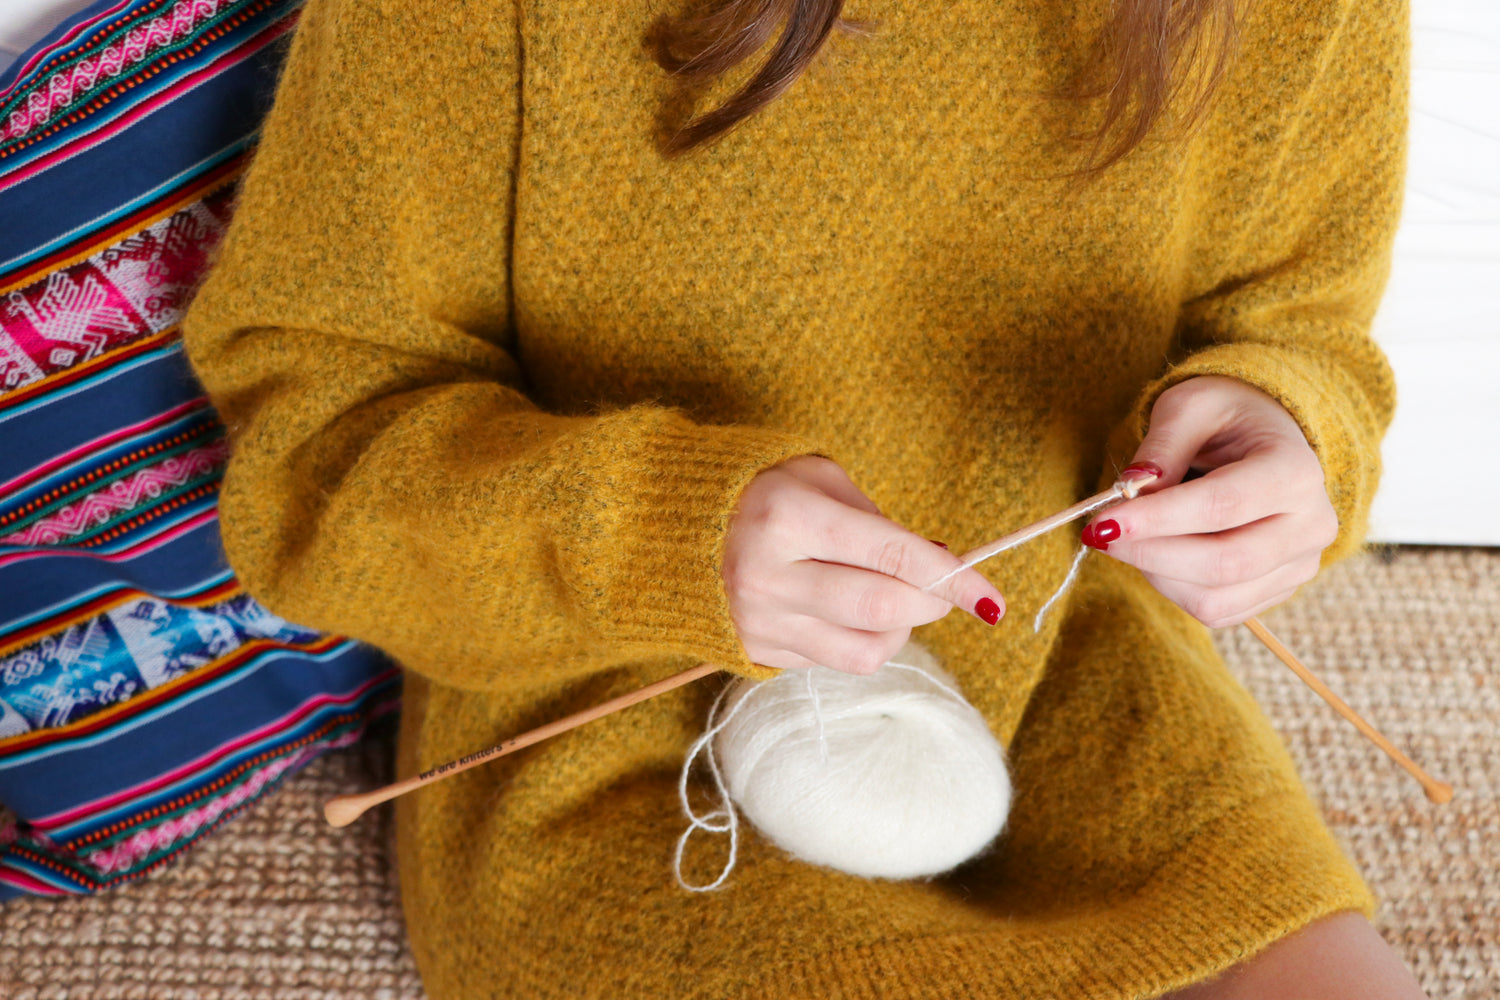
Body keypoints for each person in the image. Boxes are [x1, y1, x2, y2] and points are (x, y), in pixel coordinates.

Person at [182, 0, 1427, 996]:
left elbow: (1297, 334)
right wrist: (658, 536)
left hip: (1077, 670)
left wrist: (1289, 445)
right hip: (618, 747)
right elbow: (313, 459)